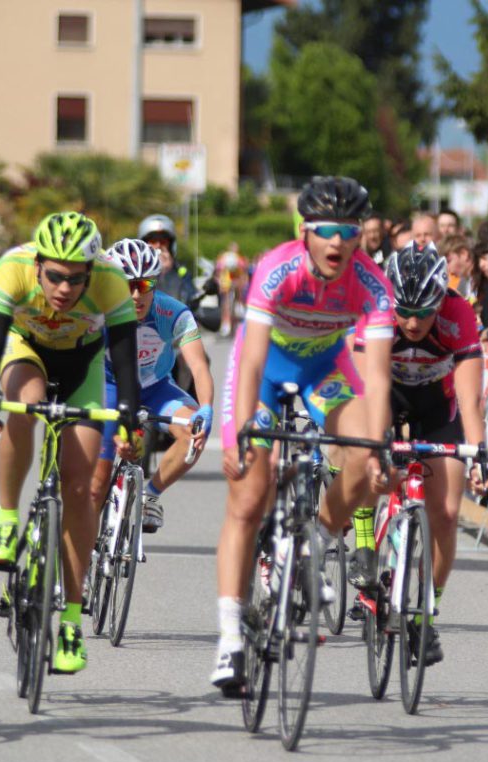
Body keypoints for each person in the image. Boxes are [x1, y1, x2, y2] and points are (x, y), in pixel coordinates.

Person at [212, 176, 394, 694]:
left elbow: (377, 377)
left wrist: (378, 445)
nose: (337, 242)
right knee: (249, 495)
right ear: (306, 233)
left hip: (324, 371)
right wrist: (243, 432)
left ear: (360, 235)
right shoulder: (276, 269)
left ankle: (316, 537)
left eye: (348, 231)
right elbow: (248, 359)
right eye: (325, 231)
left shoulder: (373, 284)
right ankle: (229, 637)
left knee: (360, 457)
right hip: (266, 372)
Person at [0, 212, 141, 675]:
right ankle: (7, 519)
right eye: (54, 277)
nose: (65, 289)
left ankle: (70, 618)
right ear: (39, 265)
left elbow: (125, 363)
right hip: (26, 351)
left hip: (81, 367)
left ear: (91, 272)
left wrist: (129, 422)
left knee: (81, 484)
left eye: (75, 279)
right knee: (23, 402)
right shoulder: (12, 268)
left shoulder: (110, 281)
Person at [348, 243, 488, 665]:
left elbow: (471, 400)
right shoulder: (375, 311)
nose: (411, 323)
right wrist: (374, 447)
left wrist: (480, 454)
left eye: (421, 313)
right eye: (403, 311)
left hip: (436, 405)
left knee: (445, 513)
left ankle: (426, 613)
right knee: (366, 459)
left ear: (439, 302)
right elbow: (366, 390)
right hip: (383, 395)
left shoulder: (457, 314)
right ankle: (364, 545)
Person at [89, 238, 213, 530]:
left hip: (156, 388)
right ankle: (84, 550)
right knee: (97, 484)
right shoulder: (98, 313)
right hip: (110, 388)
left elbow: (198, 366)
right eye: (126, 285)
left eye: (144, 286)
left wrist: (205, 408)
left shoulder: (174, 313)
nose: (135, 295)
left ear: (156, 284)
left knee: (193, 431)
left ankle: (150, 494)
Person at [138, 214, 196, 308]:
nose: (158, 245)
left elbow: (190, 300)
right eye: (153, 241)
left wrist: (167, 273)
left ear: (171, 245)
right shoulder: (136, 272)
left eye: (163, 242)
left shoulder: (181, 272)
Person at [216, 241, 248, 337]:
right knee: (226, 304)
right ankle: (225, 324)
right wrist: (220, 282)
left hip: (235, 283)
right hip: (226, 283)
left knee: (235, 303)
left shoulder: (240, 259)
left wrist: (241, 284)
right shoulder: (224, 258)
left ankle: (235, 324)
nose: (234, 250)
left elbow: (243, 273)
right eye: (233, 248)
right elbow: (218, 270)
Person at [439, 234, 476, 301]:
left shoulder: (483, 280)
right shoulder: (465, 283)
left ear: (464, 254)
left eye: (448, 261)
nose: (446, 269)